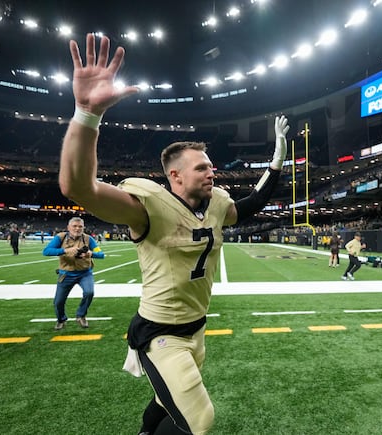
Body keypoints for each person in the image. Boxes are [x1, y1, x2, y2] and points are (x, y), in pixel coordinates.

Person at [59, 34, 290, 434]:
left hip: (196, 327)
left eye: (211, 166)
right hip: (160, 332)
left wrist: (278, 159)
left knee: (164, 402)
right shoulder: (148, 206)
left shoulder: (216, 203)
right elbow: (78, 187)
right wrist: (87, 114)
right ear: (175, 175)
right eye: (202, 168)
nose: (212, 172)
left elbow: (251, 204)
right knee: (199, 419)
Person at [42, 217, 104, 330]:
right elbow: (46, 251)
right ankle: (61, 319)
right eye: (74, 226)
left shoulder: (88, 239)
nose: (77, 229)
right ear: (68, 227)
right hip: (66, 274)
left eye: (80, 226)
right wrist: (65, 250)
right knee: (58, 302)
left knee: (89, 292)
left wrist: (90, 253)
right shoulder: (60, 237)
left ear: (83, 228)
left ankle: (81, 315)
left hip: (85, 273)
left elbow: (101, 254)